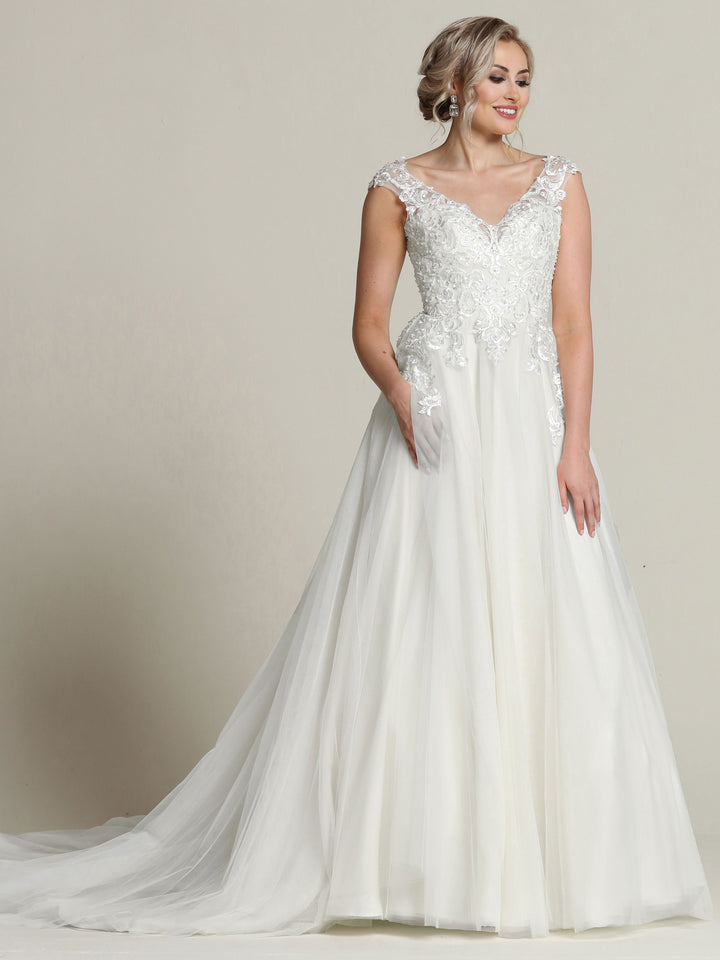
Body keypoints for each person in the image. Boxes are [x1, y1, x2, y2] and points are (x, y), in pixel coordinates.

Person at [0, 14, 713, 942]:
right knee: (422, 627)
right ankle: (418, 862)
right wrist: (404, 396)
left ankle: (553, 863)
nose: (514, 94)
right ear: (454, 83)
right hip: (436, 420)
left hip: (532, 425)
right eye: (497, 76)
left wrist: (575, 445)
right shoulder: (398, 188)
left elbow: (573, 323)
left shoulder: (561, 185)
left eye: (525, 79)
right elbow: (369, 323)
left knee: (555, 623)